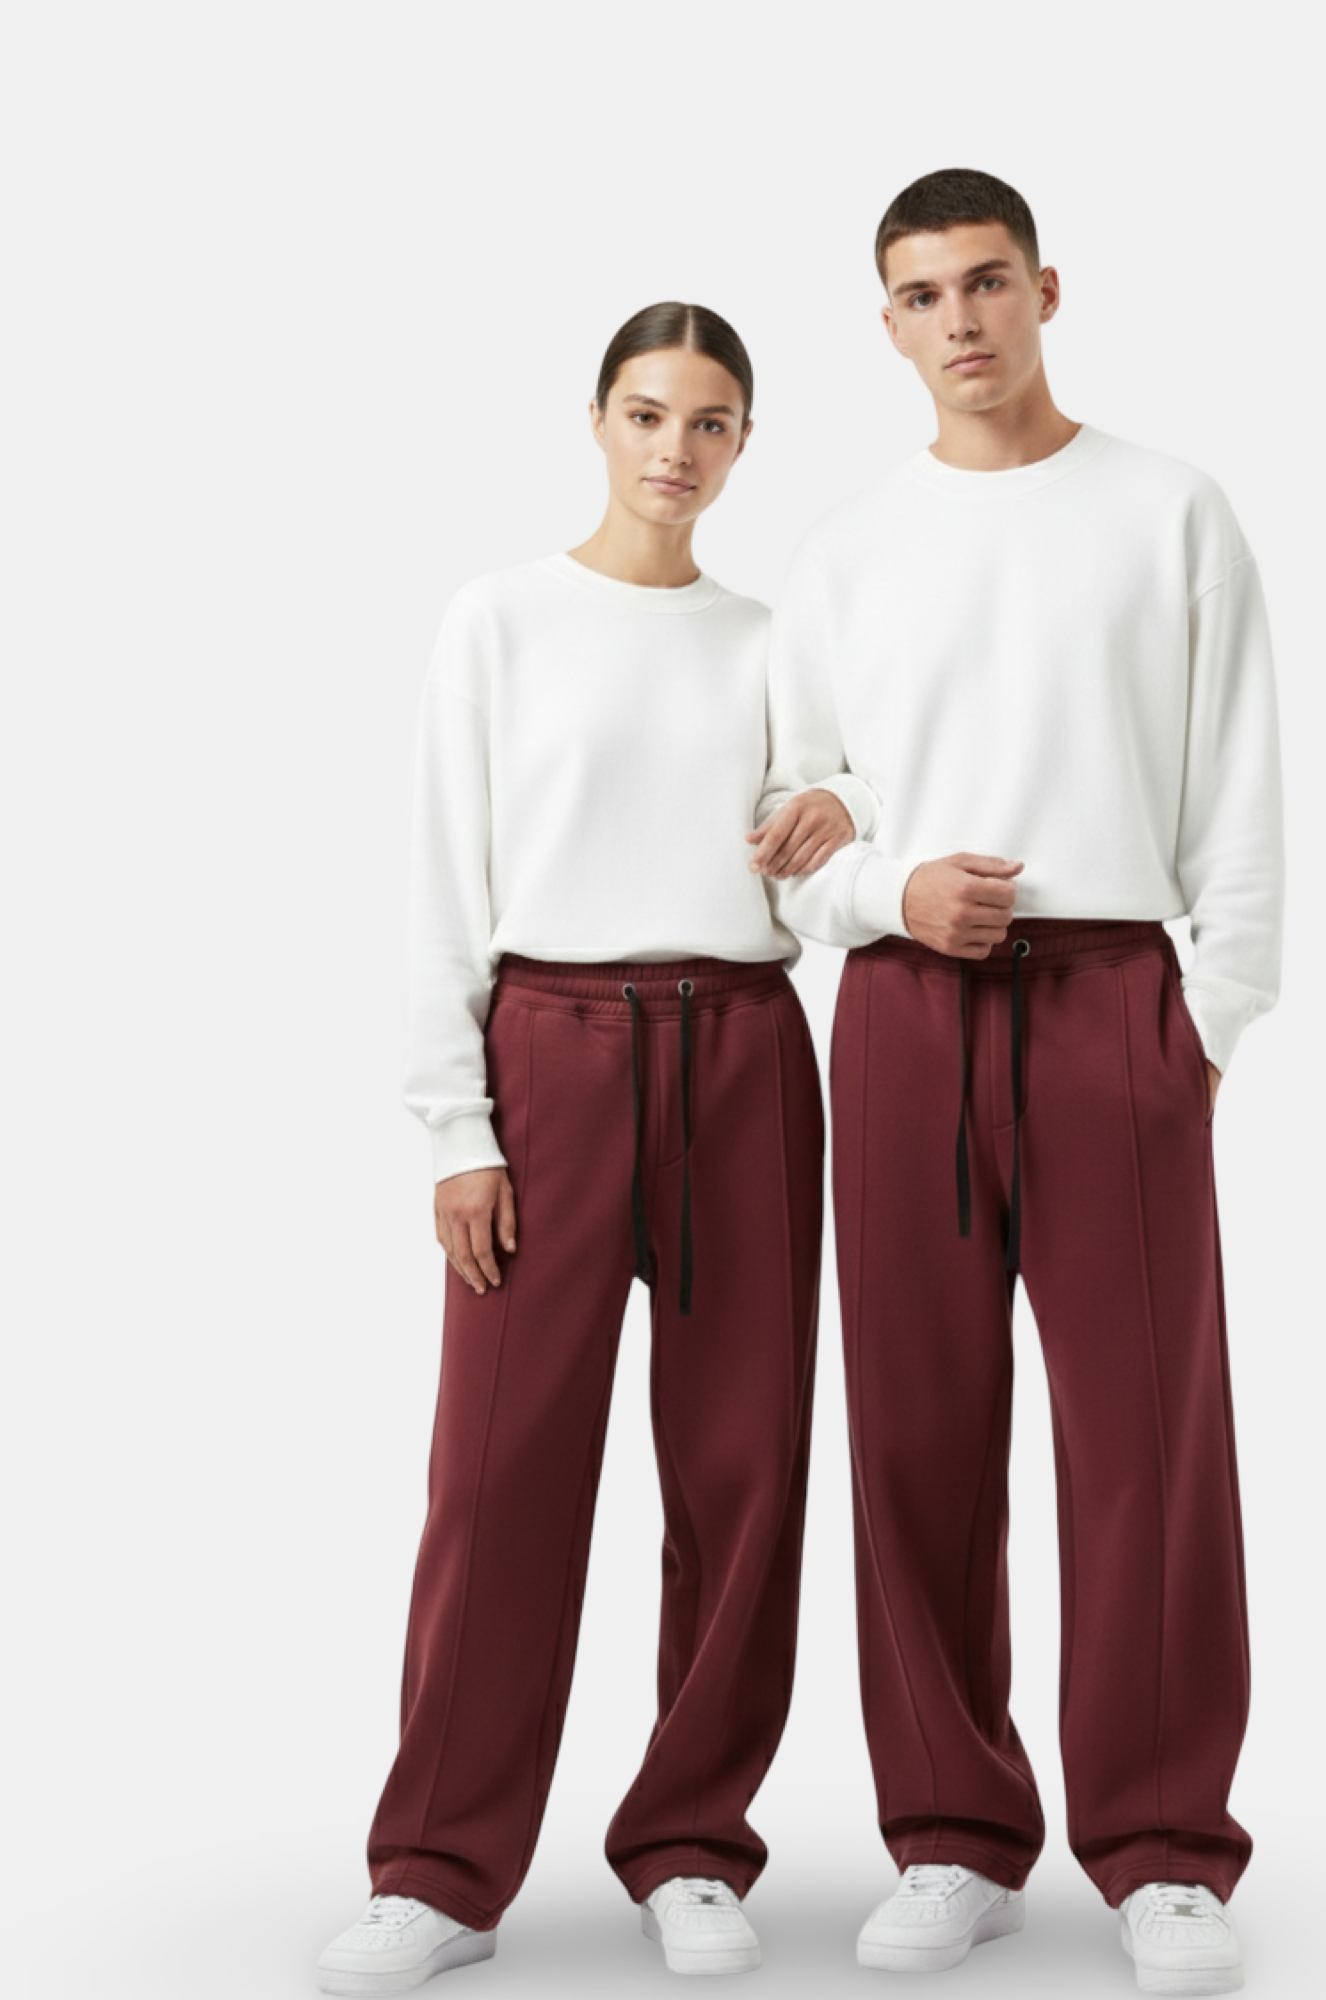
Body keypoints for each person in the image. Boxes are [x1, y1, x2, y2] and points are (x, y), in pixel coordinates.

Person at [753, 168, 1285, 1994]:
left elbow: (1239, 779)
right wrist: (886, 892)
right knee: (915, 1428)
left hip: (1118, 1005)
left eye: (987, 282)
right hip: (906, 1009)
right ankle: (954, 1835)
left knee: (1148, 1437)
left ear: (1047, 291)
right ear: (886, 324)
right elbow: (789, 821)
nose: (960, 320)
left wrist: (1209, 1018)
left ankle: (1164, 1848)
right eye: (922, 295)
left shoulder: (1169, 511)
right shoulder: (849, 553)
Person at [316, 301, 876, 1993]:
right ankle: (439, 1870)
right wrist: (455, 1128)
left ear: (744, 444)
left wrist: (848, 811)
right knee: (499, 1478)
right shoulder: (498, 619)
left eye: (709, 423)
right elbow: (442, 879)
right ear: (596, 419)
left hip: (745, 1057)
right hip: (547, 1060)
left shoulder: (773, 638)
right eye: (647, 413)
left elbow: (830, 826)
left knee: (741, 1473)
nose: (673, 451)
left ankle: (693, 1844)